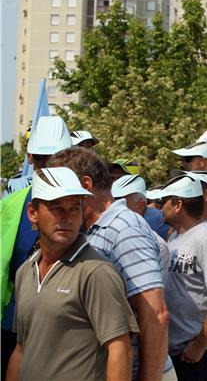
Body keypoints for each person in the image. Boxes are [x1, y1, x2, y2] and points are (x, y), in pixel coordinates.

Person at [46, 147, 175, 381]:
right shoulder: (95, 229)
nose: (54, 198)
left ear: (85, 185)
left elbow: (156, 314)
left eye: (59, 188)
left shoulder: (123, 229)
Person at [5, 167, 138, 381]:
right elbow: (22, 348)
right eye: (56, 208)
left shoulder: (96, 272)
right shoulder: (25, 272)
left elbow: (120, 350)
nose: (66, 217)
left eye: (74, 208)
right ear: (32, 213)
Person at [0, 115, 72, 378]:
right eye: (42, 158)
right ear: (30, 157)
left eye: (56, 158)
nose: (48, 166)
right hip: (13, 329)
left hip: (65, 334)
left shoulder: (84, 206)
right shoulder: (11, 205)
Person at [159, 174, 207, 381]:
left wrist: (200, 345)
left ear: (178, 205)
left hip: (195, 356)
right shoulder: (175, 237)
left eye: (163, 201)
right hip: (176, 352)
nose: (159, 207)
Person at [112, 174, 170, 277]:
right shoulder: (107, 236)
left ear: (141, 205)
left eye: (120, 203)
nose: (113, 208)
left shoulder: (157, 246)